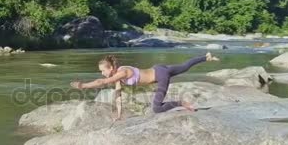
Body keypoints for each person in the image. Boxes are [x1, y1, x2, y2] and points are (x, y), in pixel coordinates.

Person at [70, 52, 220, 120]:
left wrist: (83, 85)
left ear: (111, 68)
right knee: (184, 66)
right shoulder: (118, 78)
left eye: (103, 71)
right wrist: (119, 114)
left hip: (161, 76)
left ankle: (181, 103)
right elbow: (117, 96)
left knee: (156, 108)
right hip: (159, 69)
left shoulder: (122, 72)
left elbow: (101, 83)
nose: (102, 74)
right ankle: (205, 57)